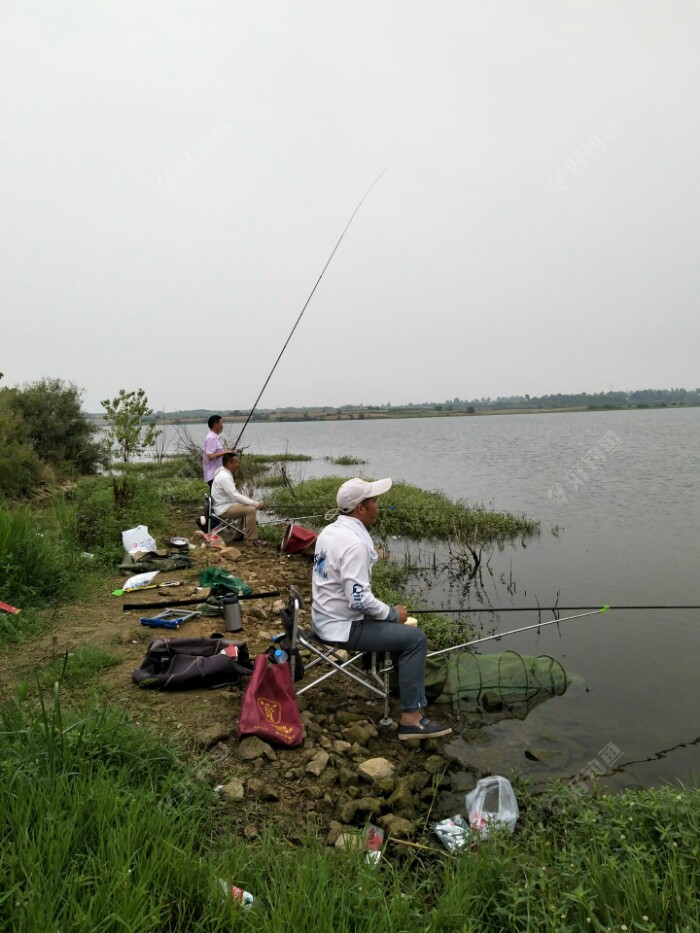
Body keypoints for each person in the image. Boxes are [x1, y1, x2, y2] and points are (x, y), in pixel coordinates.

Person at [311, 477, 452, 741]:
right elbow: (359, 599)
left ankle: (386, 679)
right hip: (342, 627)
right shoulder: (355, 545)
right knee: (415, 640)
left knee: (396, 628)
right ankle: (411, 720)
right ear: (360, 508)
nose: (378, 505)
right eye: (374, 501)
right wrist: (390, 613)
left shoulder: (329, 532)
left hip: (324, 618)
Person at [211, 451, 267, 545]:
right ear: (229, 463)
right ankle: (251, 540)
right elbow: (235, 496)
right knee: (251, 509)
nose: (238, 465)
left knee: (245, 504)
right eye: (236, 462)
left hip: (222, 506)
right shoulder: (225, 476)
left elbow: (235, 496)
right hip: (222, 509)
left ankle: (238, 535)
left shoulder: (222, 471)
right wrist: (256, 504)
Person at [202, 415, 234, 487]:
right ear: (215, 424)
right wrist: (225, 452)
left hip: (217, 474)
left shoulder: (214, 437)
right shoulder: (211, 438)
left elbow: (217, 453)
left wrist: (228, 452)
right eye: (221, 423)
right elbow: (210, 456)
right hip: (213, 475)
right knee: (217, 497)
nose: (223, 426)